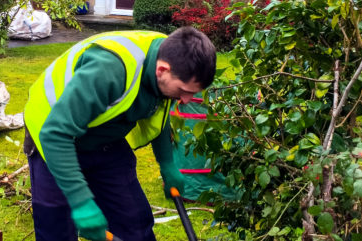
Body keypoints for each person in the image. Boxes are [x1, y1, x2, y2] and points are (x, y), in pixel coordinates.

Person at [23, 27, 217, 240]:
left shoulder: (170, 57)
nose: (186, 100)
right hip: (53, 136)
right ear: (162, 70)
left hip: (105, 138)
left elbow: (158, 112)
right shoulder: (108, 69)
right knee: (56, 229)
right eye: (183, 91)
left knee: (134, 221)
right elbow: (55, 133)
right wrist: (81, 201)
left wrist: (167, 164)